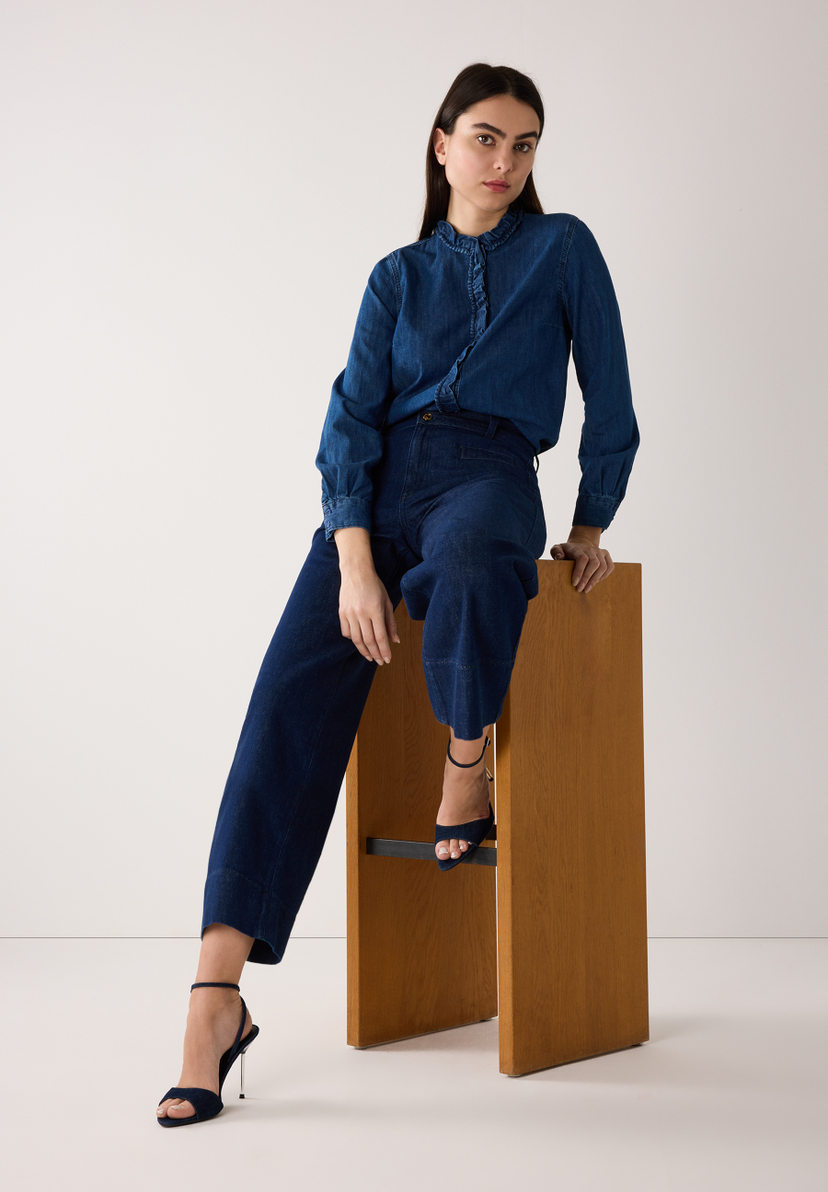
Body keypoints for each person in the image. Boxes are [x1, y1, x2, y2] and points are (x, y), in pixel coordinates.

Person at [156, 61, 639, 1126]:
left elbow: (610, 389)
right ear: (441, 144)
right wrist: (354, 558)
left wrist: (590, 522)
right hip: (374, 499)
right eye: (485, 138)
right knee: (282, 708)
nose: (504, 161)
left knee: (472, 566)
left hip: (490, 476)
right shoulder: (396, 276)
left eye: (523, 144)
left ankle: (466, 766)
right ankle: (214, 997)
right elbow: (349, 420)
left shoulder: (563, 248)